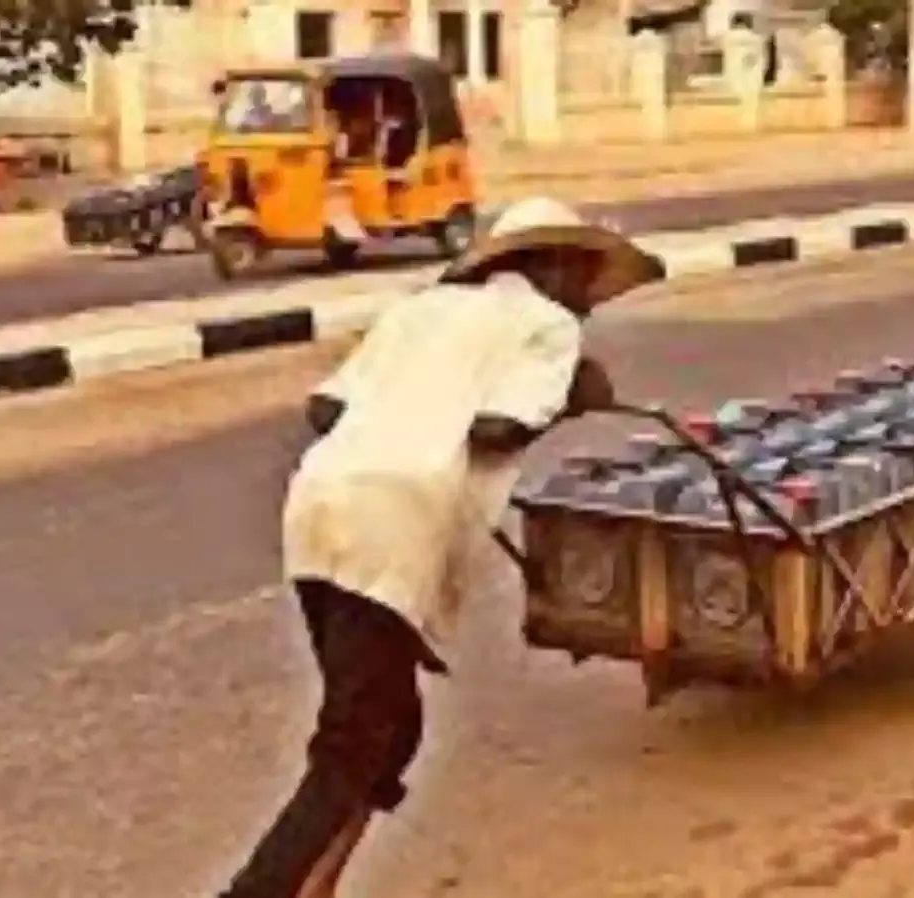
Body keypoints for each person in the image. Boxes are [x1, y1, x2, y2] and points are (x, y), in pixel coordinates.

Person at [216, 197, 666, 898]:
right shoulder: (546, 326)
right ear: (549, 264)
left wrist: (412, 409)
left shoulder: (417, 310)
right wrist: (568, 398)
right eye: (582, 277)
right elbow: (499, 429)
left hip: (318, 503)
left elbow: (325, 409)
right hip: (394, 521)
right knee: (352, 741)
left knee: (392, 727)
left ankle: (319, 885)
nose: (586, 298)